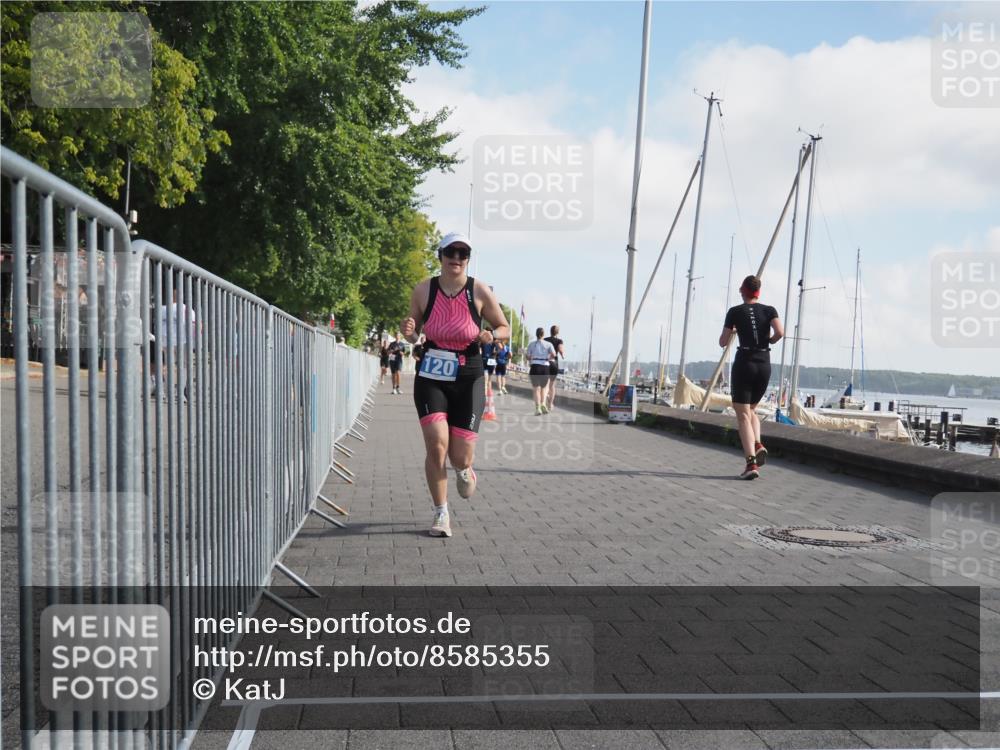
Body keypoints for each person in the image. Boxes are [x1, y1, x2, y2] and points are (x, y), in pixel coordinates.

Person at [401, 232, 510, 538]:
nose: (457, 259)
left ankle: (464, 469)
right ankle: (441, 513)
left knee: (459, 455)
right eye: (451, 252)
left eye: (463, 254)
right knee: (437, 446)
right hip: (432, 374)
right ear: (441, 255)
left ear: (468, 260)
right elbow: (413, 332)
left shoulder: (479, 290)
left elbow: (505, 327)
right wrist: (408, 330)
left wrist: (491, 335)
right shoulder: (425, 290)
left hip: (469, 375)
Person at [719, 275, 784, 480]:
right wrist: (769, 340)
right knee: (752, 409)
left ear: (743, 290)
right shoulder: (770, 309)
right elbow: (780, 332)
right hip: (764, 363)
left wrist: (734, 331)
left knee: (743, 415)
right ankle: (758, 444)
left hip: (745, 362)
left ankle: (751, 464)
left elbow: (722, 342)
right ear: (758, 291)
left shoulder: (735, 312)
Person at [527, 328, 556, 416]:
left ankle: (538, 408)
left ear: (536, 334)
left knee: (536, 389)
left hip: (535, 366)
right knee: (543, 388)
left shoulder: (531, 344)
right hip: (545, 366)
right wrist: (548, 358)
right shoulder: (548, 344)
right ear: (543, 335)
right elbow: (554, 354)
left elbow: (528, 356)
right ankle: (543, 404)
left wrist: (530, 358)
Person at [543, 325, 565, 412]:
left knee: (545, 385)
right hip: (554, 364)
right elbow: (561, 350)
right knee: (552, 386)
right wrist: (562, 355)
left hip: (545, 363)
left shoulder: (545, 340)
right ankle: (550, 404)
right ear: (558, 332)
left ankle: (543, 403)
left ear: (550, 331)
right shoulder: (559, 341)